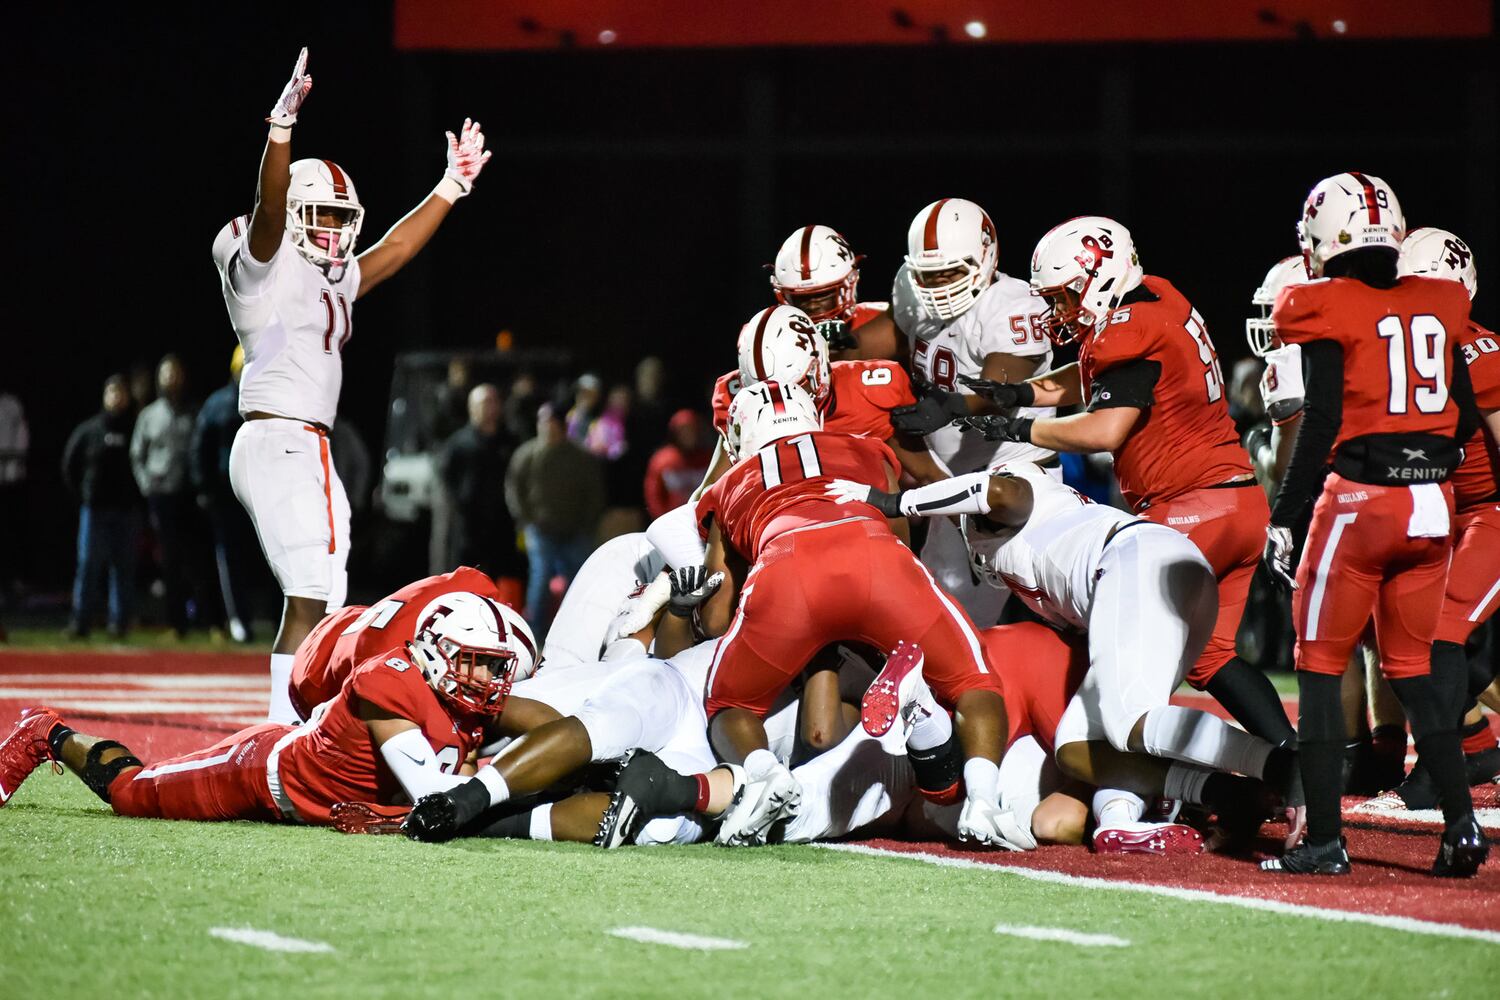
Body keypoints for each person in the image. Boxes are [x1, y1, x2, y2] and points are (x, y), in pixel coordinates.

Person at [212, 48, 492, 723]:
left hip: (304, 440)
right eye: (325, 217)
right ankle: (283, 735)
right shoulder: (266, 268)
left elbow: (391, 253)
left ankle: (293, 724)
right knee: (311, 591)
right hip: (280, 435)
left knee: (326, 592)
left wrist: (449, 189)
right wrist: (280, 131)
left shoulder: (329, 277)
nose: (335, 231)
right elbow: (269, 211)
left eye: (343, 219)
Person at [956, 217, 1296, 753]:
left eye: (1066, 295)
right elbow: (1095, 376)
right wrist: (1018, 395)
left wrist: (1020, 428)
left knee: (1115, 652)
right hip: (1239, 505)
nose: (1060, 310)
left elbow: (1105, 426)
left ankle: (1136, 786)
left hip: (1189, 510)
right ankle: (1291, 760)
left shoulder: (1128, 329)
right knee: (1210, 660)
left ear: (1100, 274)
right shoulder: (1158, 296)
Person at [829, 459, 1300, 844]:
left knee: (1128, 719)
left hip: (1134, 561)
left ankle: (1280, 765)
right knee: (1077, 746)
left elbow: (996, 493)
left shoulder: (1024, 498)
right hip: (1165, 571)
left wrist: (891, 502)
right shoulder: (1052, 531)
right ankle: (1229, 795)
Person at [1260, 173, 1486, 877]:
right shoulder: (1442, 301)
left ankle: (1325, 840)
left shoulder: (1320, 302)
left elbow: (1323, 417)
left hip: (1360, 500)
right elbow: (1468, 412)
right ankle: (1461, 828)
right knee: (1416, 672)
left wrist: (1285, 517)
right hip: (1432, 504)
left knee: (1320, 669)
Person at [689, 381, 1022, 849]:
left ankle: (764, 775)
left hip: (786, 568)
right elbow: (902, 538)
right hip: (873, 554)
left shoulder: (726, 484)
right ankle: (985, 801)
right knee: (974, 682)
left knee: (730, 705)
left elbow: (718, 615)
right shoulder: (865, 446)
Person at [0, 594, 533, 825]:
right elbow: (437, 797)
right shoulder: (388, 683)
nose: (490, 681)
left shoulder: (463, 706)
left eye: (497, 666)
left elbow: (455, 782)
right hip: (260, 773)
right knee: (133, 794)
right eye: (480, 662)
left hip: (309, 798)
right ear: (438, 649)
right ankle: (46, 731)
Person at [886, 198, 1057, 627]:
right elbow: (876, 337)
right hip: (953, 484)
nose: (939, 285)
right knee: (942, 625)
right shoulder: (913, 296)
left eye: (950, 272)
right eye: (928, 275)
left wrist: (950, 406)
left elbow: (1001, 389)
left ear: (984, 257)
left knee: (1058, 602)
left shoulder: (1014, 303)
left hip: (1017, 474)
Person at [1377, 227, 1500, 807]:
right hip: (1440, 515)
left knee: (1441, 633)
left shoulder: (1480, 352)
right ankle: (1474, 745)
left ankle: (1439, 767)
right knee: (1401, 630)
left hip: (1487, 514)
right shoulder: (1398, 349)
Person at [506, 403, 605, 637]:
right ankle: (534, 634)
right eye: (543, 423)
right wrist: (527, 520)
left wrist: (586, 524)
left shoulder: (580, 457)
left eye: (551, 423)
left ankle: (578, 631)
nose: (547, 428)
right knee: (540, 581)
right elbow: (514, 489)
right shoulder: (527, 455)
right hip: (540, 530)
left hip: (575, 530)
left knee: (580, 581)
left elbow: (594, 493)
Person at [191, 346, 263, 643]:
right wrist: (204, 488)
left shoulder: (270, 400)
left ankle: (275, 619)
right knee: (230, 560)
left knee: (271, 560)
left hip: (262, 494)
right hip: (227, 496)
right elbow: (200, 449)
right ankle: (239, 620)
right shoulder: (219, 404)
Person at [61, 375, 140, 639]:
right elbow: (69, 465)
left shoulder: (133, 428)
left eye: (121, 392)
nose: (117, 397)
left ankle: (119, 623)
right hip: (95, 510)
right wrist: (83, 495)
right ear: (104, 396)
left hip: (126, 510)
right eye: (112, 392)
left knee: (123, 567)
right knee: (88, 566)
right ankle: (80, 621)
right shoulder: (90, 430)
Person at [130, 355, 199, 635]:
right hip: (161, 496)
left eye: (176, 373)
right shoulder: (149, 415)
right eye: (167, 373)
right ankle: (175, 621)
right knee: (167, 559)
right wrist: (147, 485)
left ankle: (205, 619)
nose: (172, 379)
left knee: (195, 559)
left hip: (189, 495)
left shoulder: (193, 413)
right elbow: (137, 455)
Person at [437, 385, 522, 583]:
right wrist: (460, 502)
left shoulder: (509, 441)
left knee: (501, 576)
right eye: (484, 402)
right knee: (465, 575)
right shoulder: (458, 443)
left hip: (502, 522)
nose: (490, 407)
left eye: (494, 402)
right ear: (472, 408)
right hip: (469, 524)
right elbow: (446, 477)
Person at [643, 410, 712, 519]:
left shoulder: (709, 459)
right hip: (670, 521)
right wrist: (661, 520)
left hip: (702, 521)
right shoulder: (662, 460)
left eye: (691, 430)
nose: (687, 435)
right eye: (682, 431)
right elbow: (653, 496)